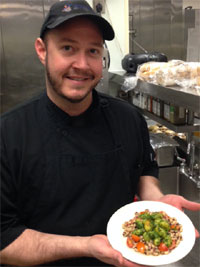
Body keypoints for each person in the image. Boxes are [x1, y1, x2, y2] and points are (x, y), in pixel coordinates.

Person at [0, 1, 200, 266]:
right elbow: (5, 240)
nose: (82, 64)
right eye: (67, 48)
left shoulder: (128, 118)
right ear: (42, 51)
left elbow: (144, 171)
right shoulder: (8, 134)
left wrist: (158, 202)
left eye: (93, 50)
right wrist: (86, 246)